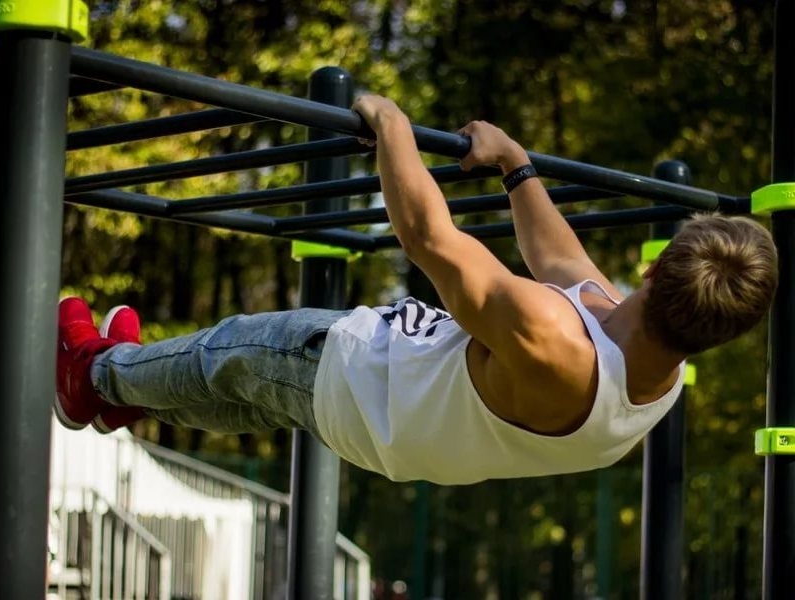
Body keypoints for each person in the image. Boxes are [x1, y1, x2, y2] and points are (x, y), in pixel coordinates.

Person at [55, 95, 778, 485]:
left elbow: (429, 237)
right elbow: (562, 260)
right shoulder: (659, 375)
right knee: (246, 400)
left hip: (357, 373)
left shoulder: (558, 343)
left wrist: (392, 124)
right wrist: (517, 166)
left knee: (233, 351)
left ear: (653, 270)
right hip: (391, 434)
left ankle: (93, 374)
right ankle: (129, 394)